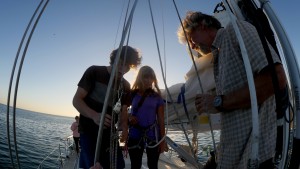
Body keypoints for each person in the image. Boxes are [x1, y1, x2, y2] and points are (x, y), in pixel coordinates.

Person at [177, 11, 287, 169]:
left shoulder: (236, 31)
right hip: (229, 156)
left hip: (253, 158)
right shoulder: (219, 57)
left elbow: (276, 78)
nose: (192, 46)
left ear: (202, 25)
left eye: (190, 39)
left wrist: (218, 101)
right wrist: (218, 102)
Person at [72, 45, 142, 169]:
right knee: (94, 165)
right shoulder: (94, 72)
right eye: (120, 63)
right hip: (88, 131)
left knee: (119, 165)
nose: (123, 69)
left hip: (110, 135)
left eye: (127, 66)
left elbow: (123, 111)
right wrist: (94, 115)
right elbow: (77, 100)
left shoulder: (125, 86)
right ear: (113, 59)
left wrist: (124, 128)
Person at [126, 65, 168, 169]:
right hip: (135, 135)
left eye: (151, 77)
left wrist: (162, 141)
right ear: (140, 77)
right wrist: (129, 117)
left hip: (153, 136)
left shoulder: (157, 97)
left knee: (153, 166)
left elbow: (161, 120)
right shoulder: (132, 94)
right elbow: (122, 111)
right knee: (135, 166)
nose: (149, 80)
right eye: (146, 77)